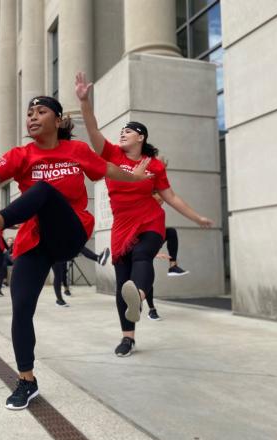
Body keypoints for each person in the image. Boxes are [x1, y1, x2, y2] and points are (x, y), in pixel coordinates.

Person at [0, 95, 150, 410]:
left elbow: (109, 169)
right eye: (29, 113)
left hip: (69, 231)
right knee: (22, 308)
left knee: (43, 189)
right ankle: (26, 380)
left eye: (40, 112)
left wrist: (136, 176)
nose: (31, 117)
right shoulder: (22, 154)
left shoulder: (77, 151)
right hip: (34, 240)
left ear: (58, 120)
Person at [76, 72, 212, 357]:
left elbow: (170, 197)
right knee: (121, 281)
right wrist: (85, 102)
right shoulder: (112, 154)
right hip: (121, 225)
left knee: (142, 256)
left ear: (141, 137)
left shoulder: (154, 166)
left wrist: (197, 218)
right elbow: (92, 131)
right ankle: (128, 337)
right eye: (122, 130)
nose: (123, 133)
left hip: (150, 221)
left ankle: (137, 296)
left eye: (129, 130)